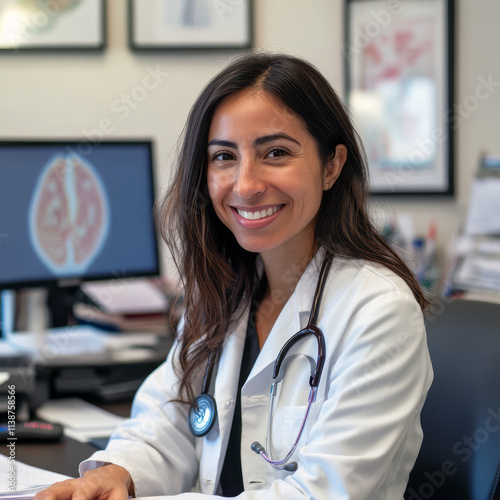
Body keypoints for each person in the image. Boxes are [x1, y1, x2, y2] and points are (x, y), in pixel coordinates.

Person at [35, 52, 433, 499]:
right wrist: (117, 473)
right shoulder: (224, 292)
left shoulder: (379, 311)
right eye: (224, 156)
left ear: (331, 166)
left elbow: (323, 493)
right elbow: (170, 418)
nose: (245, 185)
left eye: (276, 152)